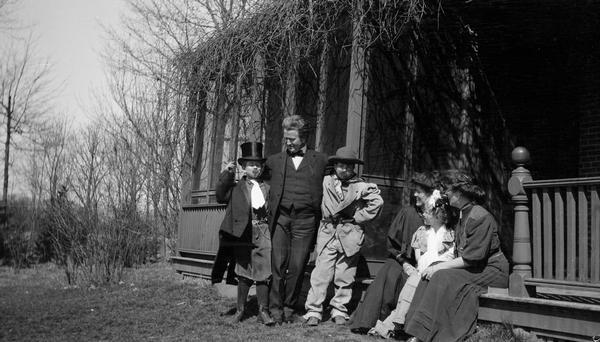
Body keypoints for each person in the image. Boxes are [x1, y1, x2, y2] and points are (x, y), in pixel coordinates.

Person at [403, 170, 509, 342]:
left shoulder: (479, 216)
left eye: (448, 191)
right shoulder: (462, 214)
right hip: (476, 268)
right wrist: (436, 265)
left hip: (492, 270)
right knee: (432, 271)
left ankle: (427, 335)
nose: (445, 194)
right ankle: (416, 330)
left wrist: (439, 266)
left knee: (442, 275)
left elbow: (472, 258)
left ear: (459, 193)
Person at [349, 172, 441, 333]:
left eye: (419, 191)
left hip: (429, 266)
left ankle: (399, 325)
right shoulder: (408, 213)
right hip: (405, 261)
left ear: (431, 193)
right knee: (389, 271)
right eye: (415, 190)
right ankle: (367, 321)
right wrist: (405, 264)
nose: (415, 194)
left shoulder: (442, 216)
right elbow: (392, 245)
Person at [302, 146, 384, 326]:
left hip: (350, 234)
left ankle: (339, 308)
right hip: (328, 233)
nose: (344, 170)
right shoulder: (325, 181)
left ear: (354, 168)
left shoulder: (361, 186)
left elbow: (377, 202)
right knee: (321, 274)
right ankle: (314, 310)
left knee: (345, 275)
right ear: (335, 165)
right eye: (340, 166)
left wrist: (357, 217)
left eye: (348, 167)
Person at [263, 115, 329, 324]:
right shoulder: (274, 161)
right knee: (278, 264)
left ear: (303, 137)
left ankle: (290, 307)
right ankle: (275, 308)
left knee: (298, 266)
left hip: (306, 221)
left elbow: (339, 180)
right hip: (281, 219)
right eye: (286, 138)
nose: (288, 142)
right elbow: (254, 178)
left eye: (292, 139)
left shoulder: (320, 160)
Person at [368, 196, 455, 338]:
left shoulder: (449, 235)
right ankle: (395, 325)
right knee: (411, 286)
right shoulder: (422, 232)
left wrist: (433, 268)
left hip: (439, 273)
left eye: (427, 212)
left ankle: (392, 326)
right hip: (422, 271)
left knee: (413, 285)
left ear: (438, 215)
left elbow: (448, 258)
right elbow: (420, 259)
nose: (423, 215)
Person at [215, 141, 275, 326]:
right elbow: (220, 196)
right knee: (244, 272)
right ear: (243, 167)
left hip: (263, 231)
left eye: (258, 165)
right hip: (243, 234)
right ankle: (240, 310)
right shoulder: (236, 188)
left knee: (264, 272)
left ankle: (263, 311)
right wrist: (227, 174)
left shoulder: (267, 187)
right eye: (251, 165)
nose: (255, 168)